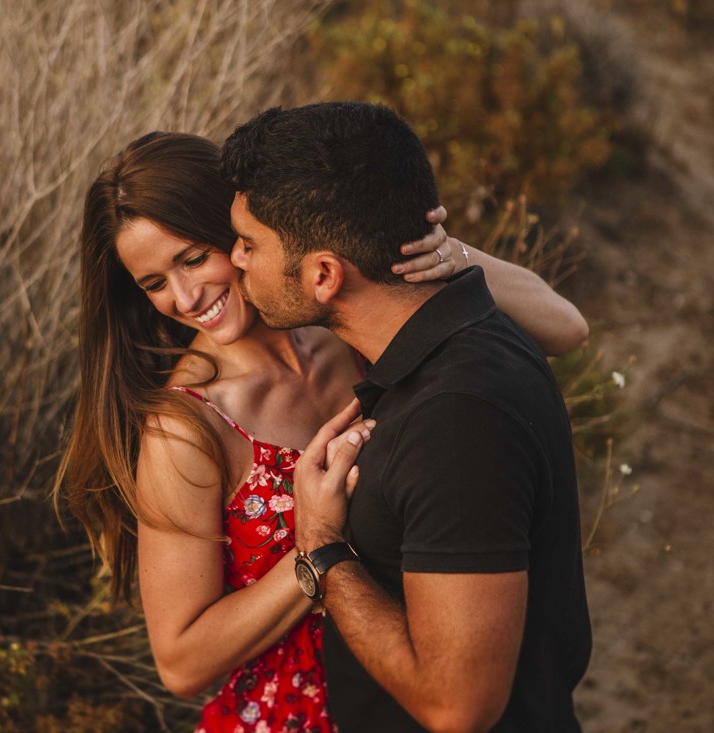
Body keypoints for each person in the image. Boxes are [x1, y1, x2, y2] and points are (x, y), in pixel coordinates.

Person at [54, 131, 588, 732]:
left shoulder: (347, 319)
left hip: (423, 673)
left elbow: (565, 329)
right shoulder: (188, 427)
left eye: (193, 257)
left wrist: (447, 253)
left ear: (239, 230)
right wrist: (313, 551)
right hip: (299, 714)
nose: (184, 296)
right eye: (153, 284)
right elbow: (180, 661)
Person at [220, 102, 591, 733]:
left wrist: (322, 548)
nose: (234, 260)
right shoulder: (464, 337)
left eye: (250, 244)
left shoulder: (457, 418)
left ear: (324, 274)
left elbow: (458, 707)